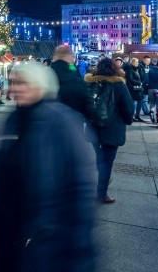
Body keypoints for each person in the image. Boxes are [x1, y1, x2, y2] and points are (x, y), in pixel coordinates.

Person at [0, 62, 96, 271]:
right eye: (14, 82)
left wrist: (77, 249)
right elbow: (0, 170)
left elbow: (80, 189)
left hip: (46, 237)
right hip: (8, 228)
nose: (14, 87)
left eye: (22, 83)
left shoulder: (63, 122)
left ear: (40, 86)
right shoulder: (14, 118)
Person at [85, 58, 135, 204]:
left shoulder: (89, 82)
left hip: (93, 126)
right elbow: (128, 107)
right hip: (112, 127)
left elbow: (84, 103)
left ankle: (91, 185)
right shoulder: (118, 84)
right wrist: (127, 120)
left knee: (97, 158)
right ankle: (102, 194)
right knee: (107, 162)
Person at [49, 44, 91, 120]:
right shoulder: (78, 82)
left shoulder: (44, 78)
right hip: (73, 126)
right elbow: (89, 109)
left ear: (55, 57)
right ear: (70, 57)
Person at [124, 57, 145, 122]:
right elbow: (130, 79)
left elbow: (141, 77)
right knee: (133, 102)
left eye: (138, 62)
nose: (138, 63)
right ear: (133, 62)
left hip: (138, 88)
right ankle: (132, 116)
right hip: (133, 88)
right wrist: (139, 82)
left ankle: (137, 116)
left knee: (140, 101)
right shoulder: (129, 69)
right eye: (136, 62)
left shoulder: (138, 69)